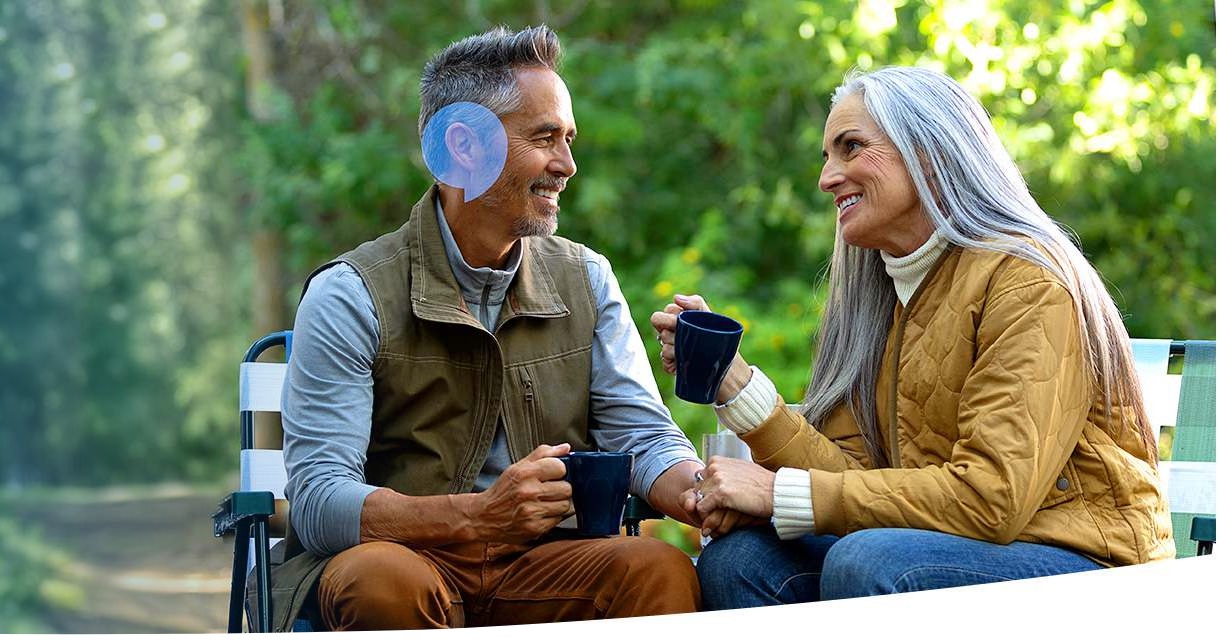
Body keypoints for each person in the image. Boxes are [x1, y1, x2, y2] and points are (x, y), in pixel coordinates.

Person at [650, 66, 1174, 609]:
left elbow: (991, 498)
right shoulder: (884, 298)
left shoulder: (1028, 281)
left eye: (851, 147)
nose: (828, 177)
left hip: (1089, 561)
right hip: (951, 543)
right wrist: (735, 385)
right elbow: (856, 481)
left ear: (927, 151)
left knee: (869, 562)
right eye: (827, 156)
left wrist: (777, 494)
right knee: (743, 561)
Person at [265, 25, 703, 632]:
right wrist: (476, 517)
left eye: (568, 139)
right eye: (545, 138)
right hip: (408, 562)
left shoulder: (588, 279)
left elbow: (644, 440)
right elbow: (316, 501)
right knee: (381, 583)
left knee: (659, 570)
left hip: (545, 568)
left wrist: (702, 494)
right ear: (464, 147)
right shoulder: (350, 293)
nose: (568, 165)